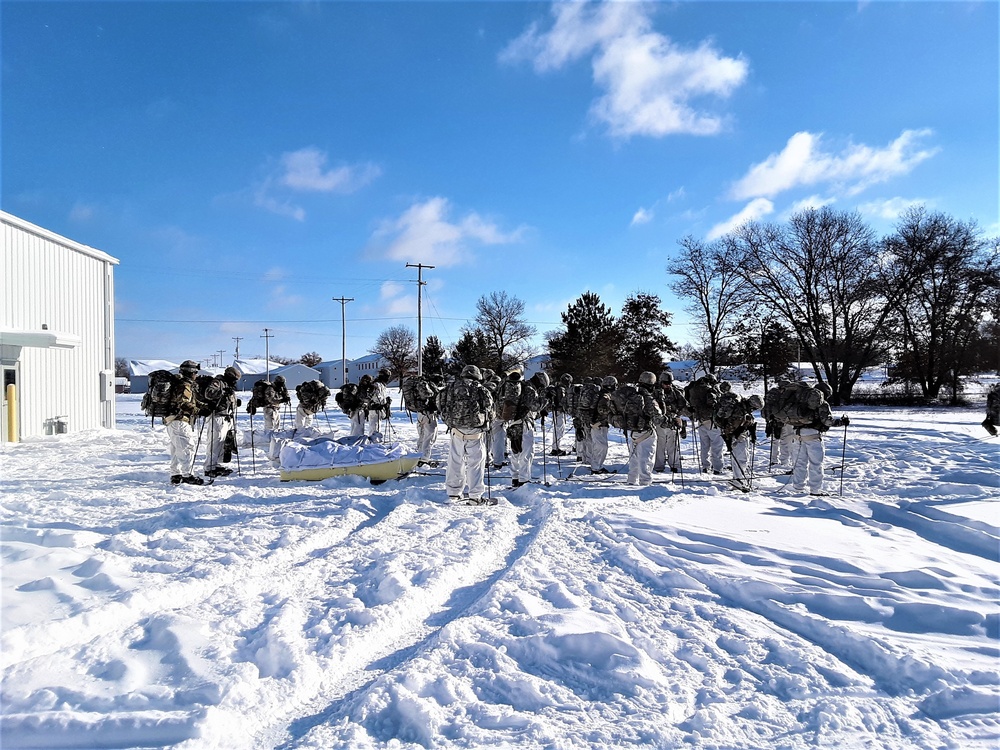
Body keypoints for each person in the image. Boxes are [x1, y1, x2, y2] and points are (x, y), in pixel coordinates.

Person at [437, 365, 494, 504]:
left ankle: (454, 493)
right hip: (475, 431)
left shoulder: (450, 388)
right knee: (475, 463)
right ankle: (475, 495)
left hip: (456, 430)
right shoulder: (481, 389)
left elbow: (439, 403)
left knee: (455, 461)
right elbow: (489, 408)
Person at [791, 381, 848, 496]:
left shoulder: (800, 401)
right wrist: (841, 422)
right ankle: (815, 490)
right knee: (815, 463)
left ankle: (798, 489)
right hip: (813, 436)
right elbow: (827, 421)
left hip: (797, 434)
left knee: (799, 463)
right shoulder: (822, 404)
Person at [714, 385, 763, 489]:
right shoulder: (739, 411)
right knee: (741, 458)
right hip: (736, 437)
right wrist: (730, 438)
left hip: (740, 435)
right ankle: (738, 480)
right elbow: (732, 427)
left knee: (742, 457)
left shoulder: (743, 408)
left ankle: (739, 478)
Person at [507, 371, 550, 487]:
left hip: (514, 423)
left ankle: (515, 478)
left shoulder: (522, 386)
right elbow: (534, 406)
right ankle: (524, 479)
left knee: (516, 450)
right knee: (526, 452)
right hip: (524, 423)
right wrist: (545, 400)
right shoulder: (530, 389)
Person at [165, 360, 204, 485]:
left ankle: (175, 474)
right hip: (180, 420)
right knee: (187, 447)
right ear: (191, 372)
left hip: (171, 420)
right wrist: (198, 410)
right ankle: (188, 475)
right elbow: (183, 403)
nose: (196, 375)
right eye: (195, 372)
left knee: (176, 448)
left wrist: (203, 406)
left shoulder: (178, 384)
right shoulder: (184, 385)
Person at [626, 372, 665, 487]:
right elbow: (658, 418)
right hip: (647, 432)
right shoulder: (648, 398)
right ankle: (645, 483)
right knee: (646, 459)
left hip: (632, 432)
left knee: (634, 460)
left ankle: (631, 481)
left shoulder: (631, 395)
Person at [203, 366, 241, 478]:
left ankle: (217, 464)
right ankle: (209, 467)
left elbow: (228, 399)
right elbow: (208, 393)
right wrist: (222, 393)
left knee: (223, 442)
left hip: (226, 417)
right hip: (217, 415)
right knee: (215, 441)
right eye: (234, 379)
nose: (234, 382)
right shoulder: (218, 382)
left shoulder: (228, 385)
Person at [685, 373, 725, 474]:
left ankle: (705, 466)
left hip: (700, 419)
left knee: (704, 445)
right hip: (712, 421)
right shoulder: (709, 389)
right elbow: (713, 403)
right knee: (716, 445)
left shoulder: (694, 388)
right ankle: (717, 468)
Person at [653, 370, 688, 474]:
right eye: (665, 383)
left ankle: (674, 465)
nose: (667, 385)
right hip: (660, 422)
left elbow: (683, 405)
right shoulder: (655, 392)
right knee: (660, 445)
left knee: (673, 445)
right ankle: (659, 466)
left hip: (673, 422)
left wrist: (679, 416)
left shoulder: (676, 392)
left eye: (669, 383)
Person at [403, 372, 442, 465]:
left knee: (422, 435)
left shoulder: (418, 384)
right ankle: (424, 459)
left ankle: (419, 455)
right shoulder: (429, 385)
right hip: (428, 413)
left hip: (420, 413)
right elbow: (433, 396)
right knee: (430, 436)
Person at [762, 378, 794, 472]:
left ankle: (773, 460)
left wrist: (769, 419)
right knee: (786, 441)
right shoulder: (786, 395)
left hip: (772, 420)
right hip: (784, 420)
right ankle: (784, 461)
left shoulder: (771, 394)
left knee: (774, 441)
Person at [590, 376, 618, 474]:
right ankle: (596, 467)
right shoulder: (605, 396)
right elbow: (601, 410)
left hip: (600, 424)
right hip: (598, 424)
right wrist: (612, 412)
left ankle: (597, 466)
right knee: (601, 447)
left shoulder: (601, 394)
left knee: (601, 446)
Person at [548, 373, 573, 456]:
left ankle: (556, 447)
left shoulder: (557, 387)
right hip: (559, 411)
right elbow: (562, 401)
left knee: (558, 429)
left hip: (557, 411)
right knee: (559, 430)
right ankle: (556, 448)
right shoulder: (561, 389)